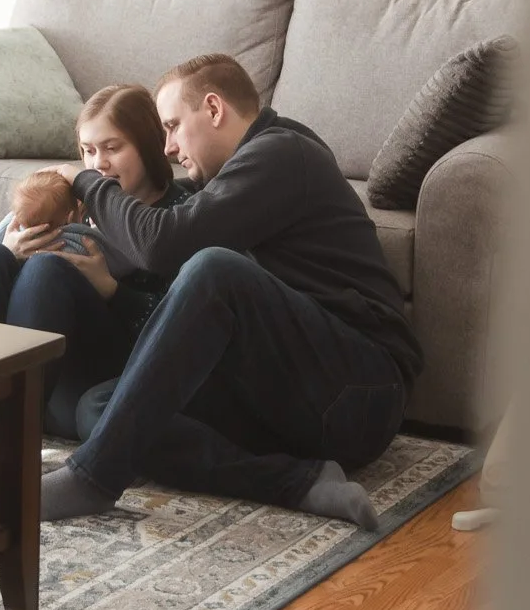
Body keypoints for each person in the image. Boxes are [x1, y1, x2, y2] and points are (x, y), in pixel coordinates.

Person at [37, 53, 423, 524]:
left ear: (215, 109)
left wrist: (88, 181)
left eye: (174, 126)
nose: (168, 148)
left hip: (359, 392)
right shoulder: (233, 176)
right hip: (286, 392)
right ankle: (297, 482)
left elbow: (163, 246)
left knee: (214, 270)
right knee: (102, 410)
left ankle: (92, 479)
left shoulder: (283, 153)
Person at [0, 83, 192, 477]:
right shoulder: (75, 203)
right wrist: (12, 251)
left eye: (113, 147)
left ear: (150, 143)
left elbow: (181, 328)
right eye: (88, 151)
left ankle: (11, 443)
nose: (98, 163)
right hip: (38, 382)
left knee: (48, 269)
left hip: (100, 389)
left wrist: (110, 288)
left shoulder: (176, 215)